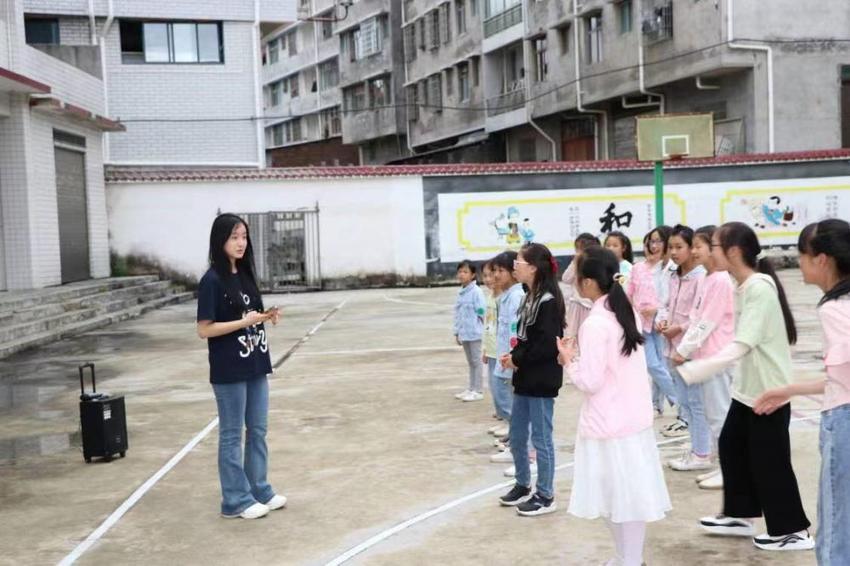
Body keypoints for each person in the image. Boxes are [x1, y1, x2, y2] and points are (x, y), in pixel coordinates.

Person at [678, 222, 813, 552]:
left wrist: (694, 369)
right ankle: (739, 515)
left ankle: (793, 530)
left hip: (769, 391)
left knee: (771, 461)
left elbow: (742, 344)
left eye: (714, 246)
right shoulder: (741, 285)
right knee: (731, 445)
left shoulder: (758, 288)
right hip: (748, 388)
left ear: (733, 252)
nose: (709, 251)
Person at [558, 246, 671, 566]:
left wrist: (569, 361)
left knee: (615, 497)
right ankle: (627, 557)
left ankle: (629, 559)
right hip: (631, 419)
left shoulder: (596, 323)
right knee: (626, 497)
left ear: (590, 282)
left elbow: (590, 381)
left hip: (607, 423)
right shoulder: (624, 311)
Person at [753, 219, 850, 562]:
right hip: (840, 409)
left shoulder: (834, 309)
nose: (801, 262)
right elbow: (841, 378)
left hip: (843, 422)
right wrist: (791, 389)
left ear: (822, 259)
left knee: (837, 525)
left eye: (803, 255)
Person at [196, 213, 287, 520]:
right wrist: (242, 323)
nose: (240, 243)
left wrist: (264, 317)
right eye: (234, 237)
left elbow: (250, 314)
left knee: (258, 430)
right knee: (232, 435)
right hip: (229, 369)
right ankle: (235, 500)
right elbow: (204, 329)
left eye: (244, 237)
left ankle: (259, 488)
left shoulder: (246, 274)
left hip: (256, 362)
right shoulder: (211, 281)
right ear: (220, 240)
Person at [497, 243, 565, 516]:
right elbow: (525, 338)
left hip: (541, 379)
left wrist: (517, 359)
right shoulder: (529, 296)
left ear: (533, 268)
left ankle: (546, 494)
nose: (515, 265)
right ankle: (523, 484)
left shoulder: (548, 301)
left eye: (519, 261)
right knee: (516, 435)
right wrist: (513, 356)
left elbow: (547, 345)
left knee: (541, 438)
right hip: (524, 377)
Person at [671, 226, 734, 486]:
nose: (694, 251)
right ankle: (722, 465)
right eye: (693, 246)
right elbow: (696, 318)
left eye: (699, 246)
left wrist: (683, 349)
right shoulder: (708, 279)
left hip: (717, 357)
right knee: (711, 414)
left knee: (720, 415)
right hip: (705, 357)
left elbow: (707, 321)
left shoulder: (720, 280)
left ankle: (730, 470)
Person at [659, 225, 706, 439]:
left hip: (690, 348)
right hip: (671, 346)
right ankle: (695, 447)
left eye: (680, 247)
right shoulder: (672, 276)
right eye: (671, 247)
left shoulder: (701, 277)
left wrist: (679, 328)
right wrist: (662, 321)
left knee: (697, 402)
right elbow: (665, 304)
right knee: (684, 400)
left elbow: (702, 316)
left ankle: (702, 451)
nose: (674, 252)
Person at [627, 227, 677, 418]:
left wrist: (656, 311)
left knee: (660, 365)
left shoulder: (669, 268)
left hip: (661, 322)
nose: (653, 245)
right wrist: (636, 312)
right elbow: (629, 294)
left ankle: (657, 404)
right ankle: (678, 399)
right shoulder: (638, 268)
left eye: (658, 241)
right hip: (642, 323)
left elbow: (670, 298)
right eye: (650, 241)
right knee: (653, 365)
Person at [489, 251, 530, 471]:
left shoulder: (515, 297)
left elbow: (516, 330)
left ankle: (524, 451)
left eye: (500, 271)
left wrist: (513, 357)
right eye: (494, 271)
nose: (496, 275)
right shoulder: (505, 296)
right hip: (504, 357)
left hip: (511, 360)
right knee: (507, 404)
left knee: (515, 407)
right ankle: (516, 446)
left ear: (514, 273)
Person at [454, 260, 486, 402]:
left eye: (465, 272)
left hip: (474, 333)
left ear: (473, 275)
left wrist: (484, 329)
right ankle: (471, 388)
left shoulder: (476, 292)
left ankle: (478, 390)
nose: (461, 274)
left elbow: (482, 312)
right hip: (465, 333)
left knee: (476, 361)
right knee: (471, 362)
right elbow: (458, 314)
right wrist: (457, 332)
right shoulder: (461, 292)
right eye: (460, 271)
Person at [563, 233, 601, 340]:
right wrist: (575, 262)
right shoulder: (575, 263)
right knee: (572, 335)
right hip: (576, 305)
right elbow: (566, 278)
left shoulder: (596, 264)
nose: (578, 253)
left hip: (591, 306)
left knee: (589, 335)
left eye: (580, 249)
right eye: (577, 249)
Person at [482, 260, 502, 431]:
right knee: (493, 386)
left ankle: (507, 421)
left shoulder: (503, 298)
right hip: (491, 350)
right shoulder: (489, 297)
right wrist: (485, 348)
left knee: (502, 389)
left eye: (492, 274)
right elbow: (487, 326)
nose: (488, 279)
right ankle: (503, 418)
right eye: (485, 275)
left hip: (500, 351)